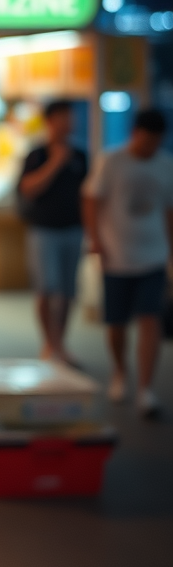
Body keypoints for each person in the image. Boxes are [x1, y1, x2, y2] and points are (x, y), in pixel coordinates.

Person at [83, 108, 173, 420]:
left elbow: (169, 211)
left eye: (155, 143)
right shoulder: (111, 161)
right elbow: (92, 200)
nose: (150, 149)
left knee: (150, 319)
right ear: (135, 134)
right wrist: (95, 239)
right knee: (117, 324)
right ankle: (121, 371)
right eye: (146, 142)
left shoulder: (165, 166)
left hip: (154, 256)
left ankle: (146, 389)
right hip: (116, 256)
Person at [17, 100, 88, 364]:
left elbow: (87, 196)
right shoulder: (36, 154)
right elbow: (27, 188)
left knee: (68, 291)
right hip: (43, 230)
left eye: (72, 116)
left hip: (73, 229)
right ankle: (49, 343)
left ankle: (61, 343)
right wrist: (56, 163)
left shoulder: (80, 156)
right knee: (46, 289)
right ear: (50, 121)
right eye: (64, 117)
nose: (70, 122)